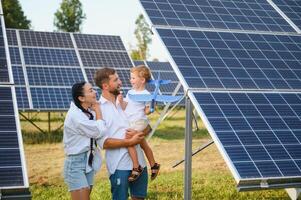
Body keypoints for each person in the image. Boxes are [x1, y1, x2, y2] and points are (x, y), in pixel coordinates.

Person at [63, 81, 144, 200]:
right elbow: (99, 131)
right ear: (81, 98)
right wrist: (98, 111)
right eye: (90, 91)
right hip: (76, 162)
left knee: (86, 196)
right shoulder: (76, 116)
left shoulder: (87, 111)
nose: (95, 92)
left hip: (88, 161)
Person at [94, 68, 151, 200]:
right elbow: (104, 143)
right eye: (116, 80)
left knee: (139, 198)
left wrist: (140, 133)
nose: (121, 82)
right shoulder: (98, 109)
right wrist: (130, 142)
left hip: (140, 164)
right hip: (119, 165)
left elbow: (148, 127)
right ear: (105, 86)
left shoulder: (127, 102)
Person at [118, 65, 160, 182]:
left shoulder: (146, 94)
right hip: (132, 122)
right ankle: (154, 164)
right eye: (131, 78)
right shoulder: (130, 92)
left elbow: (146, 111)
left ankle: (136, 167)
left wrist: (151, 108)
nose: (131, 80)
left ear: (142, 80)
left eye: (133, 78)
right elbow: (126, 107)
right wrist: (121, 101)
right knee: (143, 144)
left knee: (128, 139)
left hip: (140, 122)